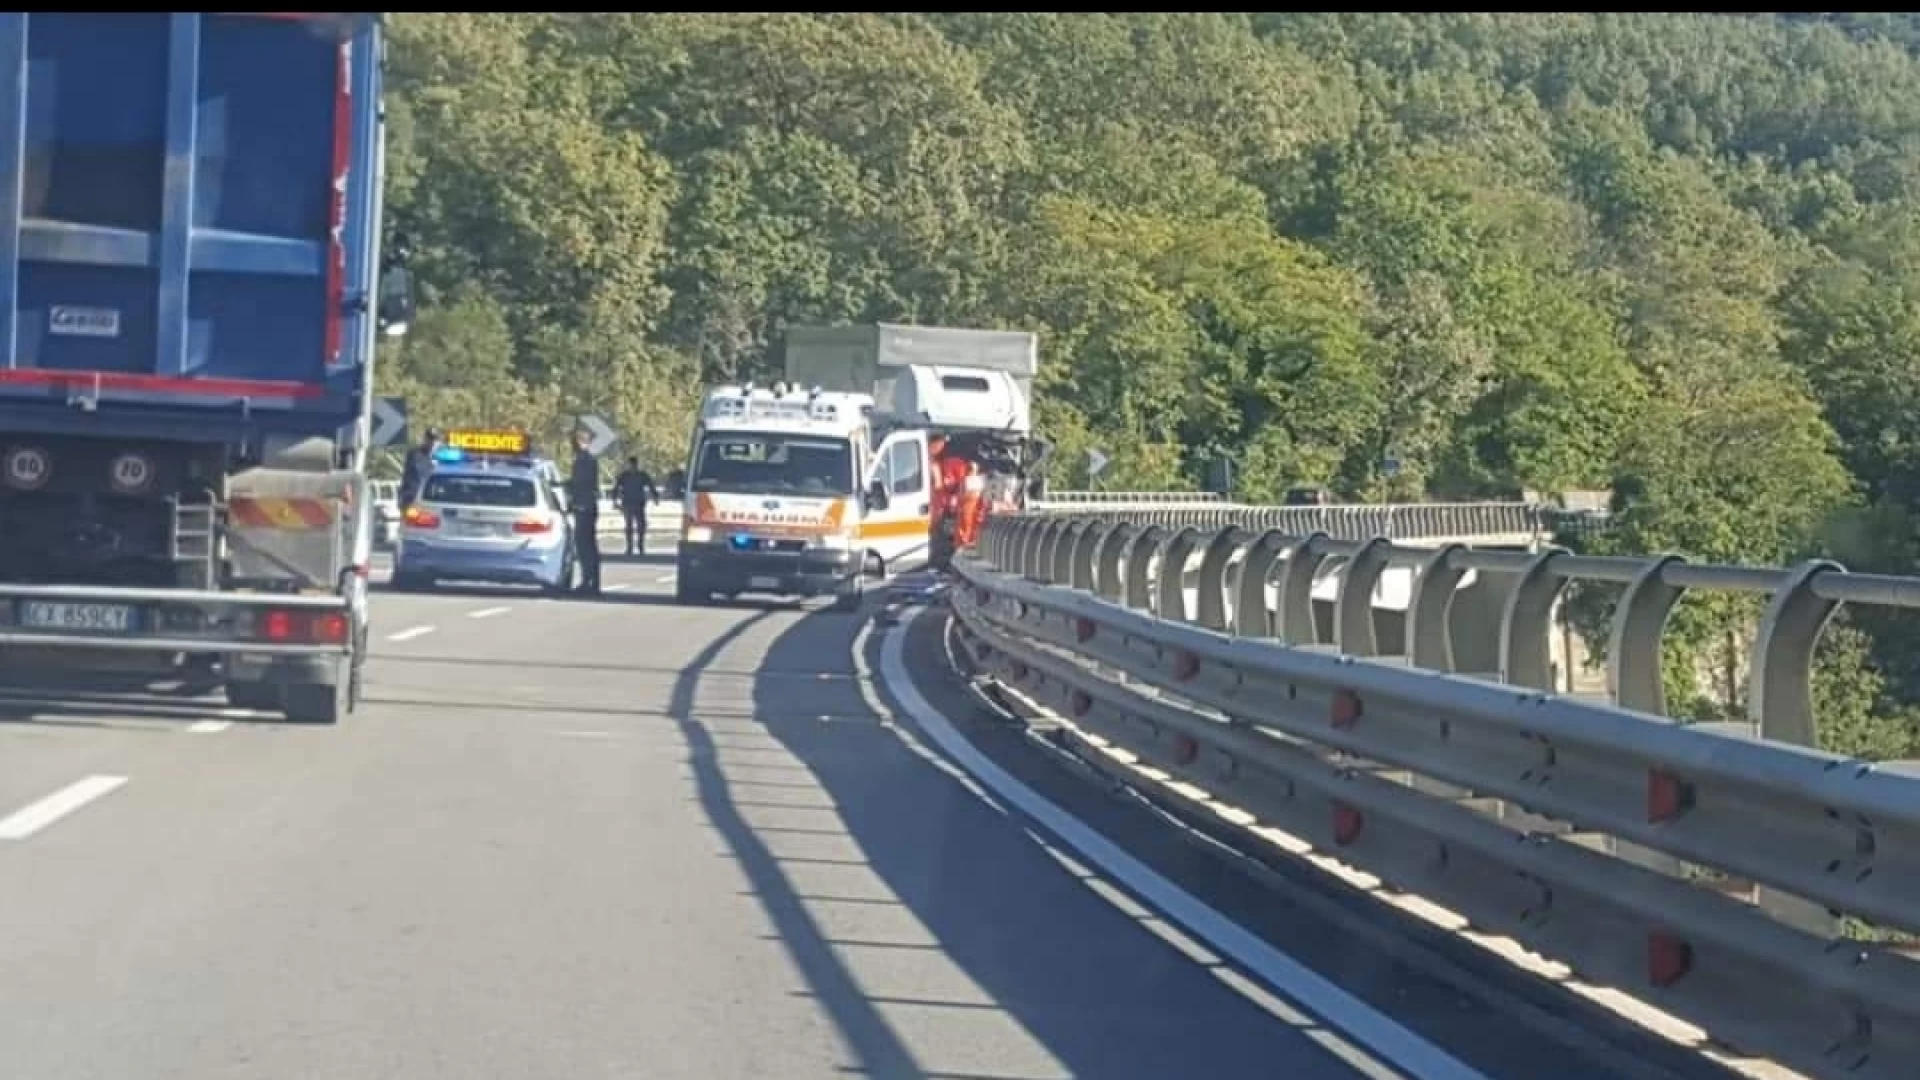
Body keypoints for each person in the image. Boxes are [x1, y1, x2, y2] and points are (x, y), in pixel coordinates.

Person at [567, 428, 602, 596]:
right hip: (583, 506)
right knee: (585, 547)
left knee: (586, 546)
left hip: (585, 507)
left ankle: (591, 582)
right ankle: (589, 581)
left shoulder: (586, 460)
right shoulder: (583, 460)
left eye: (574, 442)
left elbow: (582, 483)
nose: (572, 446)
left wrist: (569, 487)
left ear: (582, 443)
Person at [614, 456, 660, 556]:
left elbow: (651, 485)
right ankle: (629, 547)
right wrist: (614, 501)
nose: (632, 467)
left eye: (633, 465)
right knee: (629, 526)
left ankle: (640, 546)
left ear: (636, 465)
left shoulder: (642, 475)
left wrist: (655, 497)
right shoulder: (624, 476)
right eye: (631, 465)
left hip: (639, 504)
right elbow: (616, 487)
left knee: (641, 526)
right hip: (627, 504)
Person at [399, 427, 442, 508]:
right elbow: (412, 475)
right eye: (429, 439)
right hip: (412, 499)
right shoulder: (415, 455)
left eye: (435, 440)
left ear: (439, 442)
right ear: (425, 439)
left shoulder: (442, 457)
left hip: (435, 501)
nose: (432, 442)